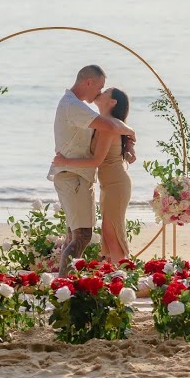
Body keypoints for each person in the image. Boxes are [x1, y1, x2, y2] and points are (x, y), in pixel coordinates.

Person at [47, 65, 136, 274]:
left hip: (102, 181)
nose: (99, 92)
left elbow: (113, 130)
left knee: (94, 233)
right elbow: (113, 129)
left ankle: (117, 276)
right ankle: (66, 285)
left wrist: (129, 137)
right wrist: (130, 132)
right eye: (100, 87)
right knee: (84, 235)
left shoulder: (89, 114)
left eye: (104, 91)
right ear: (89, 82)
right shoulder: (75, 106)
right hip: (78, 178)